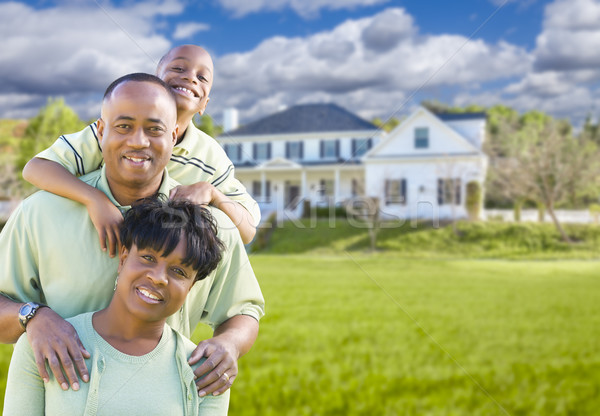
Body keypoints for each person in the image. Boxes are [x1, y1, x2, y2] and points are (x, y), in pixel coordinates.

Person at [0, 74, 264, 399]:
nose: (139, 141)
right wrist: (33, 317)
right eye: (124, 126)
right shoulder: (40, 213)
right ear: (101, 131)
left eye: (154, 129)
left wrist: (229, 344)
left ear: (174, 134)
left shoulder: (211, 227)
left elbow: (244, 309)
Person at [4, 198, 230, 415]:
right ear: (123, 259)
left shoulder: (207, 371)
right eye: (148, 258)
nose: (159, 278)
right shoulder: (44, 344)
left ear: (190, 288)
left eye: (179, 271)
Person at [22, 44, 258, 249]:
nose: (190, 78)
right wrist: (94, 199)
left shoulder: (211, 156)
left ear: (205, 104)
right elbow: (36, 168)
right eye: (178, 68)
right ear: (155, 81)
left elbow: (247, 231)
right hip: (93, 241)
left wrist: (213, 193)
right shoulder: (115, 132)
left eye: (202, 77)